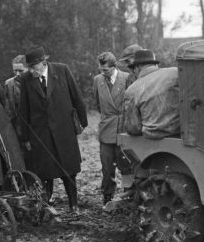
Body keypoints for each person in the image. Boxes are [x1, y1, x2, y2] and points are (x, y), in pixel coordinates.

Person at [19, 45, 88, 212]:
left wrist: (82, 122)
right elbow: (23, 109)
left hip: (64, 131)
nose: (32, 71)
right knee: (45, 172)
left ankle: (73, 204)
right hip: (40, 133)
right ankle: (45, 205)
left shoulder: (62, 71)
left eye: (34, 67)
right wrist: (26, 138)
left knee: (69, 170)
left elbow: (76, 97)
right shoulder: (26, 79)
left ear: (43, 63)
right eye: (29, 68)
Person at [92, 51, 130, 205]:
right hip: (106, 129)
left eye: (106, 70)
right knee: (107, 168)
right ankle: (107, 196)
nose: (103, 73)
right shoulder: (97, 80)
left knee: (126, 166)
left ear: (114, 67)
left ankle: (130, 196)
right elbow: (97, 104)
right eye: (101, 70)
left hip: (124, 129)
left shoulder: (127, 78)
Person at [122, 49, 180, 139]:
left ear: (137, 67)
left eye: (133, 69)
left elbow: (133, 128)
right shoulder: (175, 73)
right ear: (155, 64)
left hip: (152, 140)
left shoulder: (131, 90)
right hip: (181, 134)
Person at [4, 55, 27, 148]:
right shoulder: (9, 84)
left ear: (28, 68)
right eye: (15, 71)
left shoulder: (35, 82)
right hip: (17, 127)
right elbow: (7, 109)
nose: (17, 74)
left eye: (21, 71)